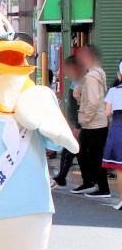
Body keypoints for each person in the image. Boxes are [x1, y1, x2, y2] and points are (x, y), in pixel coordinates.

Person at [74, 46, 110, 197]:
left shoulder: (91, 77)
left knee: (89, 153)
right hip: (98, 122)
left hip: (93, 123)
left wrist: (84, 119)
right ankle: (92, 183)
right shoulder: (99, 73)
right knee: (87, 152)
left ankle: (101, 188)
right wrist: (78, 98)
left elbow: (94, 102)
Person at [52, 56, 82, 187]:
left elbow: (80, 106)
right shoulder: (75, 81)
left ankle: (62, 177)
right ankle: (62, 177)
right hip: (74, 123)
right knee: (74, 151)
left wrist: (78, 125)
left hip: (78, 123)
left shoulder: (81, 82)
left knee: (69, 150)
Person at [102, 61, 122, 210]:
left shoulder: (114, 91)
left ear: (119, 75)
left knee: (120, 169)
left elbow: (107, 112)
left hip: (118, 129)